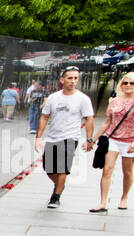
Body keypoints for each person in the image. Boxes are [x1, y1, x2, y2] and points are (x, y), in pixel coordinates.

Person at [89, 72, 134, 212]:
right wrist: (94, 139)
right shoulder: (115, 101)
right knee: (107, 169)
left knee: (127, 171)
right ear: (121, 85)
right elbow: (108, 121)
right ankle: (103, 202)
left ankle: (124, 197)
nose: (128, 85)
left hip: (130, 140)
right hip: (113, 139)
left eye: (131, 83)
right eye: (125, 83)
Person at [35, 65, 94, 209]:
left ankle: (56, 197)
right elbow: (44, 117)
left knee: (62, 168)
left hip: (70, 137)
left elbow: (89, 119)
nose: (73, 81)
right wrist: (38, 137)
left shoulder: (83, 99)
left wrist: (89, 139)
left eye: (75, 78)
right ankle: (59, 185)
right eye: (69, 78)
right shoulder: (53, 98)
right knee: (48, 168)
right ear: (62, 80)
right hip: (53, 137)